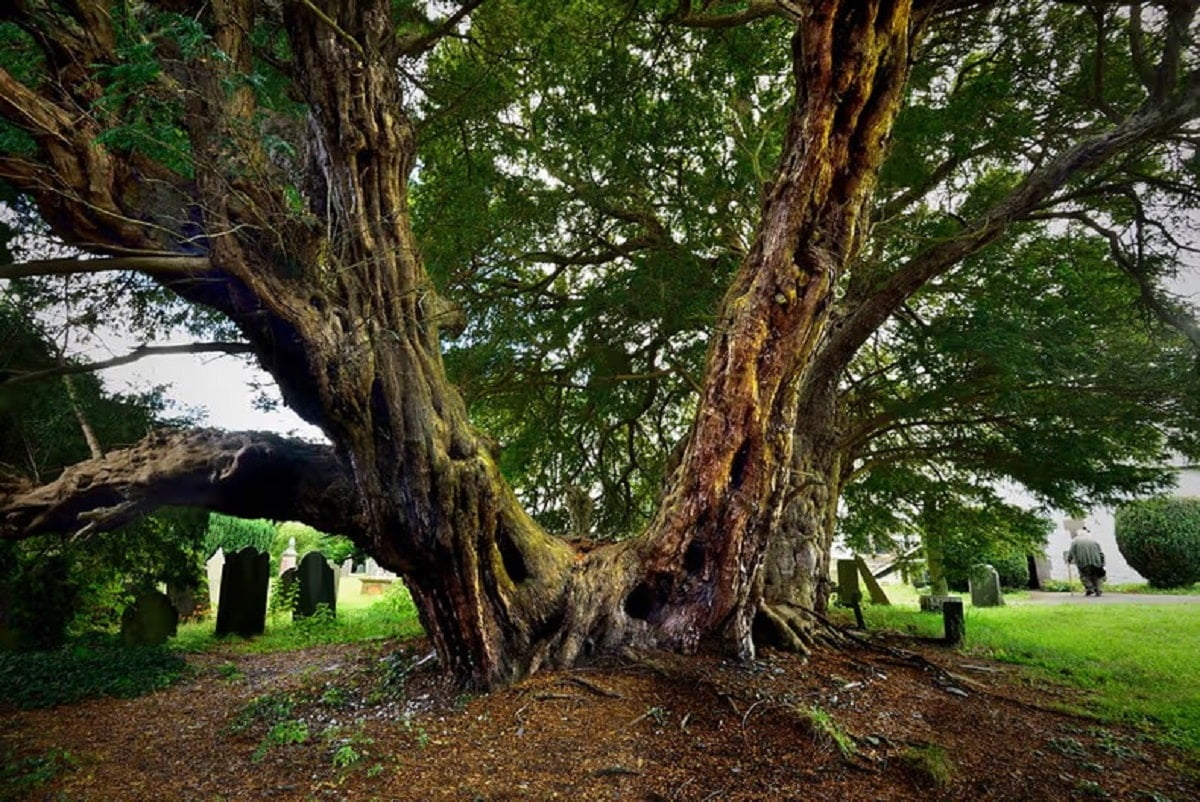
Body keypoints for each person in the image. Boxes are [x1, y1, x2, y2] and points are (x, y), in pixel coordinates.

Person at [1066, 529, 1106, 597]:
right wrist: (1102, 562)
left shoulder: (1075, 541)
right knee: (1097, 576)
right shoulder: (1094, 541)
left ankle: (1090, 588)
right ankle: (1098, 590)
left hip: (1083, 562)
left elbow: (1071, 552)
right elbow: (1101, 553)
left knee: (1084, 576)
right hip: (1096, 561)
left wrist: (1069, 560)